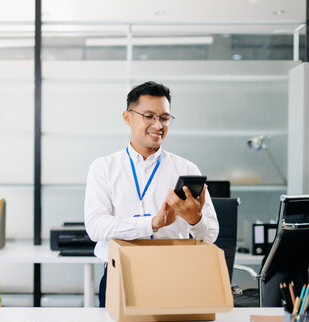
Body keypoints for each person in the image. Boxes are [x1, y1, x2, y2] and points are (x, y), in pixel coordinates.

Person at [84, 81, 219, 307]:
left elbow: (211, 235)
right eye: (149, 116)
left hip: (175, 277)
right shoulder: (103, 168)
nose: (158, 125)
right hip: (120, 276)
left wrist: (194, 219)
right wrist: (152, 223)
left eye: (164, 118)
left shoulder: (187, 169)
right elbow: (96, 226)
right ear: (128, 118)